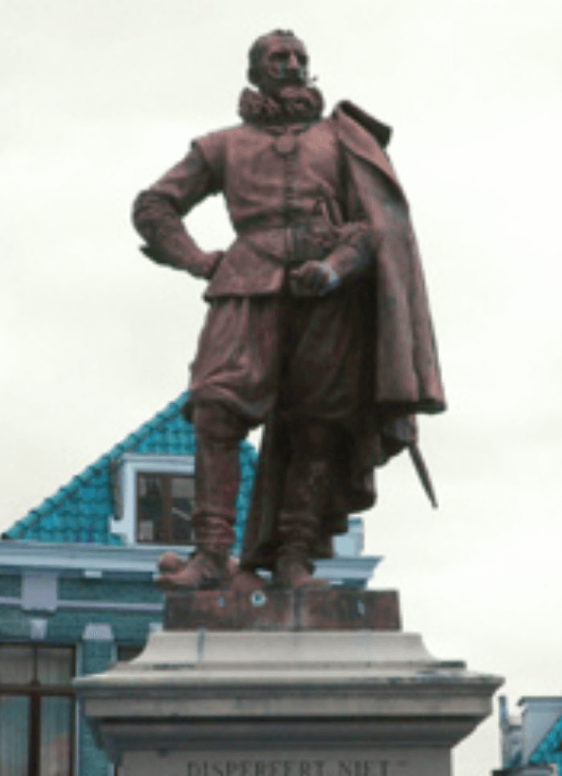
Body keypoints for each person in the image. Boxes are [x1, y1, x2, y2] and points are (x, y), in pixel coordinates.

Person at [133, 29, 444, 588]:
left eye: (301, 58)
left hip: (326, 296)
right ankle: (209, 557)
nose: (293, 65)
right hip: (246, 285)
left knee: (319, 427)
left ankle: (296, 558)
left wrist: (334, 269)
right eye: (279, 58)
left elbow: (375, 228)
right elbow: (154, 205)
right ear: (255, 71)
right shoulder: (221, 146)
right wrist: (197, 259)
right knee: (215, 409)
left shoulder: (341, 140)